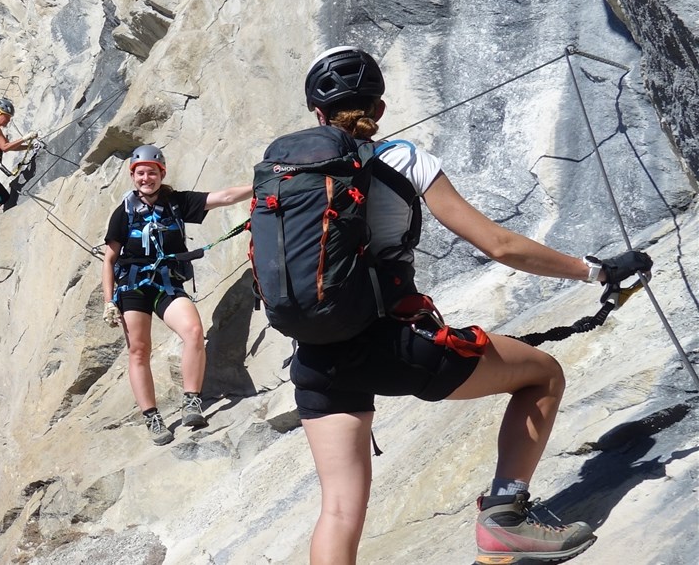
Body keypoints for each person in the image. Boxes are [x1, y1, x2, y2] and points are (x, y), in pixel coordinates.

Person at [277, 47, 653, 564]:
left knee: (339, 512)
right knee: (542, 376)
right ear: (379, 110)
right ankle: (504, 518)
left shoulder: (288, 176)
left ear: (317, 116)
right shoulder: (403, 158)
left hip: (316, 354)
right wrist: (594, 270)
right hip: (392, 342)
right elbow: (500, 245)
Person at [99, 145, 249, 445]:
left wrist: (266, 182)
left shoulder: (176, 202)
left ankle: (191, 400)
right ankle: (152, 417)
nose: (146, 178)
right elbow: (109, 259)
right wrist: (109, 300)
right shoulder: (123, 213)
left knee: (193, 331)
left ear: (161, 173)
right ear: (133, 176)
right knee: (139, 350)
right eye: (140, 173)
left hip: (167, 282)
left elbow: (225, 197)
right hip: (133, 286)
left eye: (151, 172)